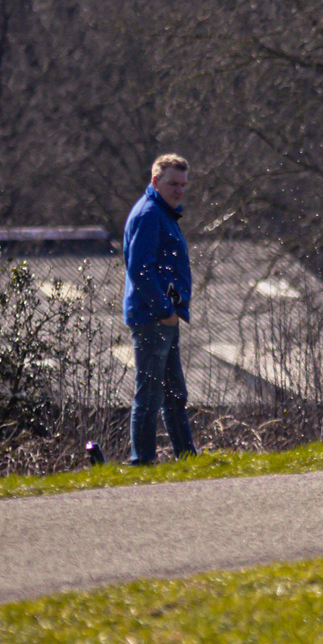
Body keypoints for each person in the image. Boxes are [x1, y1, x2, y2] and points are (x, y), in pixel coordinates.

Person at [122, 151, 196, 465]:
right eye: (172, 183)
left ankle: (187, 458)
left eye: (182, 184)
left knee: (175, 395)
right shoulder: (149, 213)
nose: (178, 190)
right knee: (150, 395)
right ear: (156, 180)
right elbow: (139, 268)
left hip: (166, 317)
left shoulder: (163, 212)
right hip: (153, 318)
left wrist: (173, 311)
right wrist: (164, 310)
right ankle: (142, 462)